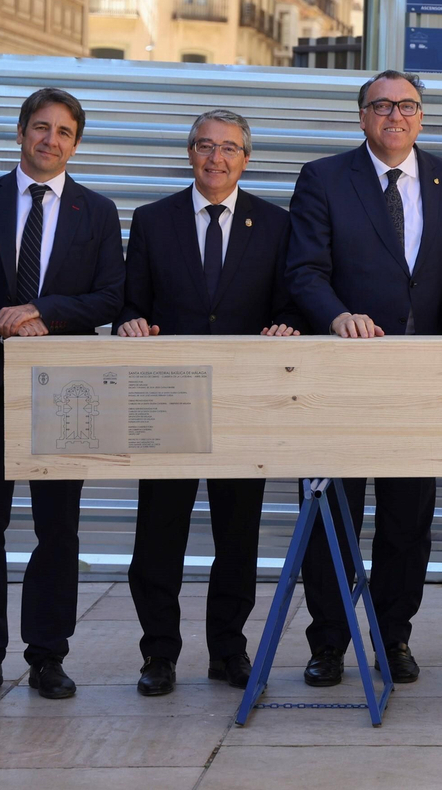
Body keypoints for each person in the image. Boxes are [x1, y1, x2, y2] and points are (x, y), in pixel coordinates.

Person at [286, 70, 442, 688]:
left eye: (408, 106)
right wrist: (336, 315)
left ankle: (394, 637)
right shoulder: (323, 177)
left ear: (422, 116)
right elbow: (304, 270)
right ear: (362, 115)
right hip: (342, 372)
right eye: (382, 105)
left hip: (420, 378)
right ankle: (328, 642)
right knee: (331, 513)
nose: (396, 116)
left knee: (407, 520)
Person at [0, 88, 125, 701]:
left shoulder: (97, 212)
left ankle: (47, 655)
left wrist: (41, 311)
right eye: (41, 127)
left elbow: (109, 297)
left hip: (66, 391)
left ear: (76, 143)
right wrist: (2, 323)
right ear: (20, 133)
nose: (51, 140)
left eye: (64, 132)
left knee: (58, 529)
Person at [118, 110, 304, 697]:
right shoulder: (153, 220)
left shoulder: (275, 224)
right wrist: (129, 323)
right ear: (189, 153)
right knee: (159, 535)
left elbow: (290, 303)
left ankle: (228, 650)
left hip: (243, 400)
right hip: (169, 398)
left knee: (238, 534)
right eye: (204, 146)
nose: (215, 158)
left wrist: (286, 325)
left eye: (228, 148)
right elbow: (130, 303)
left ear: (246, 158)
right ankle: (159, 654)